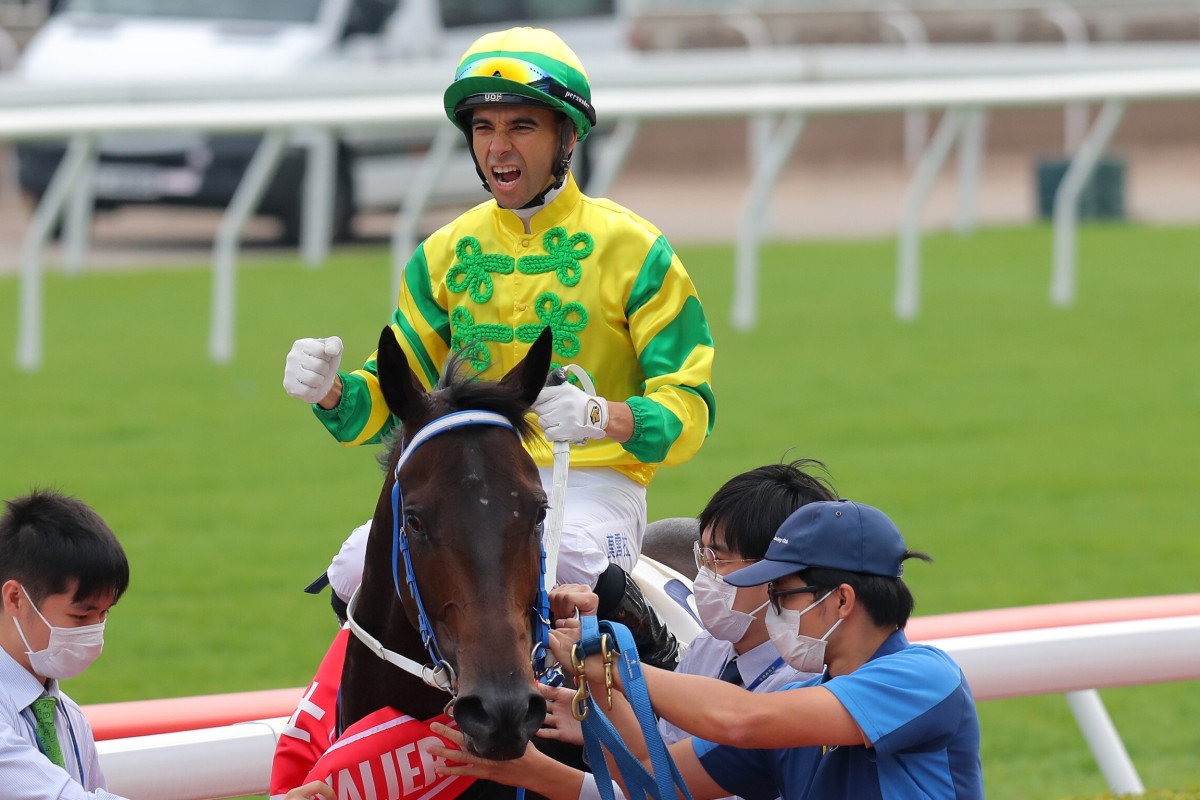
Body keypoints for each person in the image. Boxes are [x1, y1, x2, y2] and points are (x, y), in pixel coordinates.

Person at [283, 26, 715, 669]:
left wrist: (606, 417)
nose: (498, 147)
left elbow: (690, 409)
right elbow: (383, 403)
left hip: (596, 480)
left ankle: (663, 662)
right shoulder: (442, 254)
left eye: (521, 126)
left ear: (567, 137)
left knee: (557, 564)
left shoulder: (637, 251)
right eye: (483, 128)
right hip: (470, 477)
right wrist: (331, 390)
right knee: (354, 569)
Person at [430, 499, 984, 800]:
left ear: (842, 601)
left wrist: (618, 664)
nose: (770, 607)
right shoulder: (800, 710)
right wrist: (594, 677)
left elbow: (743, 720)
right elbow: (649, 774)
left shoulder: (922, 679)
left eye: (784, 594)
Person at [0, 489, 131, 800]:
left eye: (104, 614)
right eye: (81, 615)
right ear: (15, 598)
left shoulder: (68, 716)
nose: (94, 632)